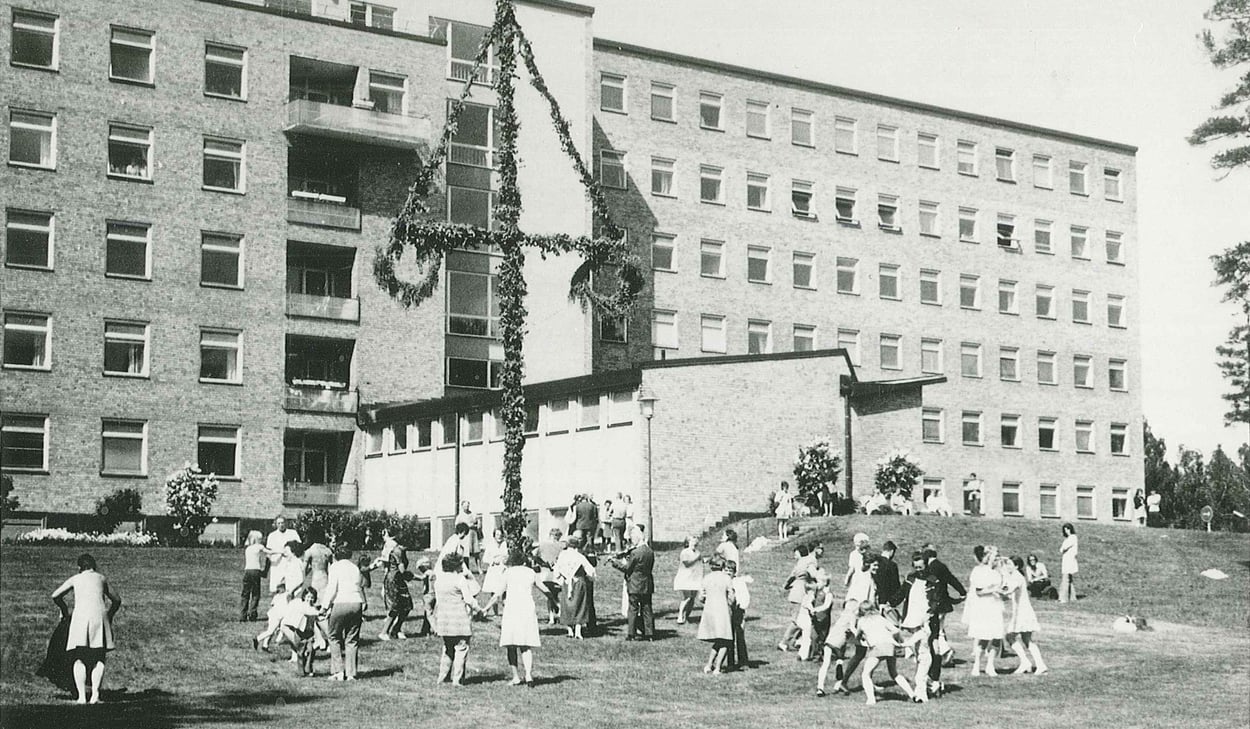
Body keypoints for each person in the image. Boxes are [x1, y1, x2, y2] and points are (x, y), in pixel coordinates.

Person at [50, 554, 121, 704]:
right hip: (99, 617)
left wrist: (64, 610)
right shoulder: (101, 578)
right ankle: (95, 695)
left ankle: (82, 696)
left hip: (80, 618)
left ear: (79, 567)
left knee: (78, 657)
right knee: (99, 657)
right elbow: (117, 600)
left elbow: (55, 595)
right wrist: (110, 615)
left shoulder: (75, 579)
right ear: (94, 566)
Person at [483, 549, 549, 686]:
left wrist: (486, 608)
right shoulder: (531, 572)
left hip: (512, 609)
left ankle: (515, 677)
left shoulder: (508, 573)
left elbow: (497, 594)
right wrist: (555, 601)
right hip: (527, 609)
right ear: (524, 561)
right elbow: (544, 588)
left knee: (511, 644)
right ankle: (529, 675)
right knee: (525, 644)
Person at [922, 544, 966, 694]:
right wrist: (961, 592)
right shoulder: (941, 566)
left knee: (937, 633)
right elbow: (951, 579)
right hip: (943, 603)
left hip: (936, 605)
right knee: (939, 630)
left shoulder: (931, 568)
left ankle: (945, 651)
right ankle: (944, 651)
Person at [433, 553, 483, 686]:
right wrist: (479, 609)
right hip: (459, 618)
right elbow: (468, 599)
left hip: (444, 618)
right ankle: (457, 679)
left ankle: (442, 677)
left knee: (448, 648)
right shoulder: (460, 579)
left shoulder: (439, 581)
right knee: (461, 648)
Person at [854, 602, 916, 705]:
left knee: (866, 674)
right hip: (890, 645)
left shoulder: (862, 621)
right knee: (894, 673)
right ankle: (912, 694)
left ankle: (871, 699)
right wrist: (891, 637)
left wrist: (862, 638)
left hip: (877, 647)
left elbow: (857, 637)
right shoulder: (880, 618)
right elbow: (896, 630)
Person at [322, 544, 367, 681]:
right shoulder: (354, 568)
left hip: (340, 602)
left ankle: (338, 671)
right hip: (356, 603)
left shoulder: (334, 567)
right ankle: (351, 673)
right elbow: (359, 586)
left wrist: (324, 606)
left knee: (334, 637)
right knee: (352, 639)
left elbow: (332, 588)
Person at [963, 545, 1005, 677]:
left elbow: (1002, 586)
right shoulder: (979, 571)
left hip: (995, 606)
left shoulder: (998, 571)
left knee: (996, 637)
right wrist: (994, 590)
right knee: (983, 637)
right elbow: (979, 591)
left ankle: (990, 665)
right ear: (988, 556)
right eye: (995, 556)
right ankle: (976, 665)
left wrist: (1003, 592)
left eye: (998, 556)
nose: (997, 558)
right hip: (984, 607)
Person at [1003, 556, 1049, 675]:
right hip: (1020, 611)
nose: (1007, 567)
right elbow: (1008, 593)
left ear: (1016, 566)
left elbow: (1008, 591)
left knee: (1011, 637)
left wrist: (994, 591)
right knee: (1025, 639)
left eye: (1009, 564)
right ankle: (1033, 664)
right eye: (1007, 564)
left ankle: (1033, 664)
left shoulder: (1017, 577)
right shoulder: (1013, 576)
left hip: (1023, 612)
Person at [612, 526, 656, 641]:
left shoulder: (635, 553)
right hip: (647, 583)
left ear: (637, 538)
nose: (632, 541)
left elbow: (627, 568)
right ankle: (649, 634)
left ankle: (631, 633)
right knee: (647, 608)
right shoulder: (650, 551)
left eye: (632, 538)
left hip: (635, 584)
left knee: (633, 609)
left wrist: (615, 563)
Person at [697, 557, 736, 673]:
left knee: (718, 640)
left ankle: (709, 665)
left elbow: (701, 597)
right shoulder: (726, 578)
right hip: (723, 610)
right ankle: (717, 667)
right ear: (722, 566)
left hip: (709, 610)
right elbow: (731, 597)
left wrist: (706, 602)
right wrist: (732, 605)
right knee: (725, 639)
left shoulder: (706, 578)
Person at [278, 587, 327, 676]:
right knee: (301, 652)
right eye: (308, 597)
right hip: (300, 633)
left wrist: (324, 615)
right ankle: (301, 672)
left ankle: (309, 669)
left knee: (311, 650)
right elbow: (307, 611)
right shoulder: (302, 605)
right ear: (304, 597)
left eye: (312, 597)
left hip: (310, 633)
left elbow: (317, 618)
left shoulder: (313, 608)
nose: (310, 599)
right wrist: (318, 613)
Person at [554, 534, 596, 639]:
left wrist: (560, 578)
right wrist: (589, 577)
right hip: (578, 582)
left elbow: (557, 570)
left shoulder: (562, 555)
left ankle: (569, 630)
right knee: (579, 605)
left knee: (567, 605)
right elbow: (590, 570)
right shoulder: (579, 556)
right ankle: (578, 631)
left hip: (567, 582)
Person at [778, 545, 817, 651]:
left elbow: (791, 577)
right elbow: (814, 575)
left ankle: (797, 641)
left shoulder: (802, 563)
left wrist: (785, 586)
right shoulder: (809, 562)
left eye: (796, 554)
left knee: (801, 619)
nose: (795, 556)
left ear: (800, 553)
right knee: (797, 620)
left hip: (798, 593)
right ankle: (784, 642)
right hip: (800, 594)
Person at [532, 528, 565, 624]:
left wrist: (540, 563)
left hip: (545, 574)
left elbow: (534, 555)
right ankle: (559, 612)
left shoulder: (542, 545)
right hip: (557, 574)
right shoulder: (561, 546)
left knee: (550, 595)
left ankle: (552, 617)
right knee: (554, 594)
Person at [479, 527, 509, 617]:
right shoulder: (490, 545)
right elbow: (485, 558)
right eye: (497, 535)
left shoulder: (504, 544)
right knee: (494, 591)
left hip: (503, 569)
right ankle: (495, 613)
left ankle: (506, 612)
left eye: (500, 535)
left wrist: (504, 561)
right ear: (494, 536)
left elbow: (507, 556)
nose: (499, 536)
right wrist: (493, 561)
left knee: (504, 591)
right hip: (493, 570)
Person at [673, 536, 704, 624]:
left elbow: (701, 561)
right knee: (687, 597)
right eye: (692, 541)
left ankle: (686, 617)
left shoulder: (697, 552)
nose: (694, 543)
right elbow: (687, 564)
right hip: (685, 578)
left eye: (695, 541)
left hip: (695, 578)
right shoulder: (685, 552)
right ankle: (680, 615)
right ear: (688, 542)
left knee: (692, 598)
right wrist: (696, 558)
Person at [727, 560, 752, 669]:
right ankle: (730, 662)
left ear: (734, 572)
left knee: (740, 637)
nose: (728, 572)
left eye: (730, 570)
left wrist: (741, 607)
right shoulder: (724, 582)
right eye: (726, 570)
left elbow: (745, 597)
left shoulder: (739, 582)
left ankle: (743, 661)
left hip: (738, 612)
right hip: (727, 613)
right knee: (729, 638)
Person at [265, 516, 301, 591]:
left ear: (286, 523)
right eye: (279, 523)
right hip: (277, 563)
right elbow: (268, 551)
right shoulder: (272, 535)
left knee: (291, 585)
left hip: (290, 562)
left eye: (282, 523)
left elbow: (299, 546)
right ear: (276, 524)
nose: (281, 525)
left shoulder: (292, 533)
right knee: (277, 585)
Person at [240, 530, 265, 622]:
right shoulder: (259, 546)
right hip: (255, 571)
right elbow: (269, 552)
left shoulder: (248, 548)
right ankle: (252, 614)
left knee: (245, 594)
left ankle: (243, 615)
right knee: (255, 593)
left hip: (247, 571)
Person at [302, 528, 333, 599]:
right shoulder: (328, 551)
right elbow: (331, 568)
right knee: (324, 597)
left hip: (315, 577)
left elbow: (304, 569)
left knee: (314, 598)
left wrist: (304, 581)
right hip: (325, 577)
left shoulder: (309, 551)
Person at [454, 502, 482, 572]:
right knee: (466, 553)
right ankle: (467, 569)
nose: (466, 507)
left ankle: (479, 568)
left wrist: (478, 524)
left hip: (473, 534)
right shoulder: (460, 516)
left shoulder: (473, 514)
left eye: (467, 506)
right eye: (465, 506)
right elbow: (456, 526)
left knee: (476, 552)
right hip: (465, 536)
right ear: (462, 507)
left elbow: (478, 521)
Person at [874, 541, 902, 607]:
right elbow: (895, 585)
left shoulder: (874, 562)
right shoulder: (892, 565)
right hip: (886, 599)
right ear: (892, 551)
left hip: (874, 596)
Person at [1059, 523, 1079, 604]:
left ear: (1071, 529)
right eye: (1065, 530)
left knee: (1066, 579)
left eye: (1068, 529)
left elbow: (1064, 547)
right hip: (1067, 559)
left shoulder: (1073, 537)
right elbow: (1061, 549)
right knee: (1069, 579)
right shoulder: (1068, 538)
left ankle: (1064, 598)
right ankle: (1072, 597)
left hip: (1069, 560)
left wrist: (1062, 548)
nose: (1066, 531)